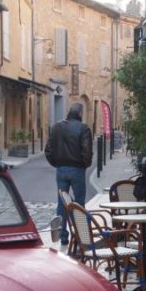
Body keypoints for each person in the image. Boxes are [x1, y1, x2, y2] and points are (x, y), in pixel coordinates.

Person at [45, 102, 93, 245]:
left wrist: (57, 163)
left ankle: (63, 236)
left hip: (61, 169)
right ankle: (80, 236)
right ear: (80, 114)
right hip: (77, 170)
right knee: (79, 203)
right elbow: (86, 151)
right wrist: (85, 165)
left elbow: (48, 150)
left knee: (61, 203)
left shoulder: (56, 127)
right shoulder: (83, 128)